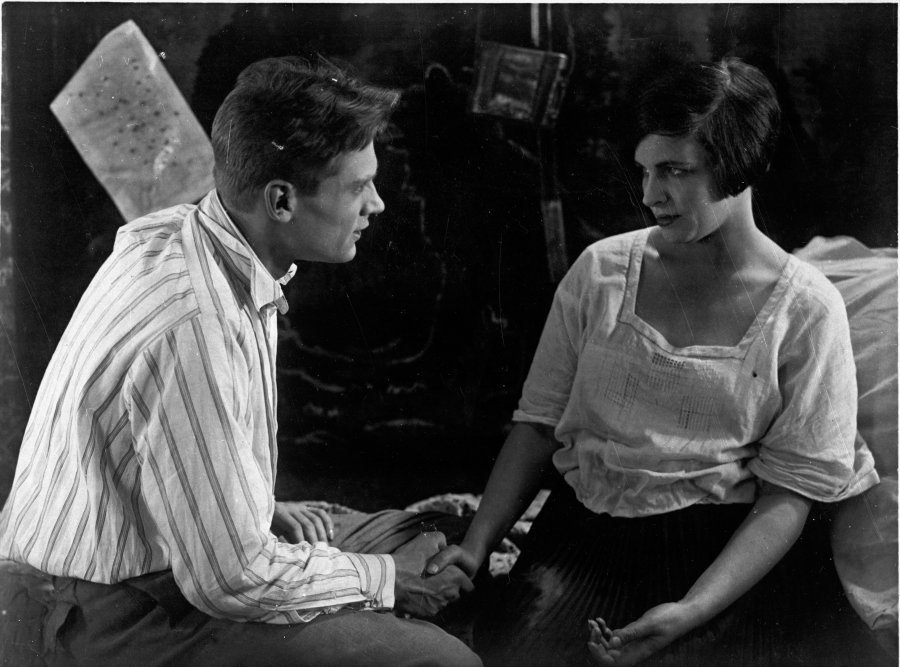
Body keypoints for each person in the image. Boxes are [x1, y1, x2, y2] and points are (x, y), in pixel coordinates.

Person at [0, 57, 481, 667]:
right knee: (444, 661)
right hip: (111, 610)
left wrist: (246, 505)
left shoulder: (193, 234)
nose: (378, 204)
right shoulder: (193, 321)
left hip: (166, 563)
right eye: (359, 187)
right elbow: (231, 579)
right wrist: (387, 580)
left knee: (436, 543)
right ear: (281, 200)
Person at [427, 57, 882, 667]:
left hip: (725, 556)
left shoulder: (807, 309)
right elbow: (538, 425)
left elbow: (790, 495)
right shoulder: (602, 271)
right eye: (645, 170)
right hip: (584, 534)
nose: (649, 196)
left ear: (739, 163)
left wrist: (691, 610)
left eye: (674, 171)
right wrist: (477, 546)